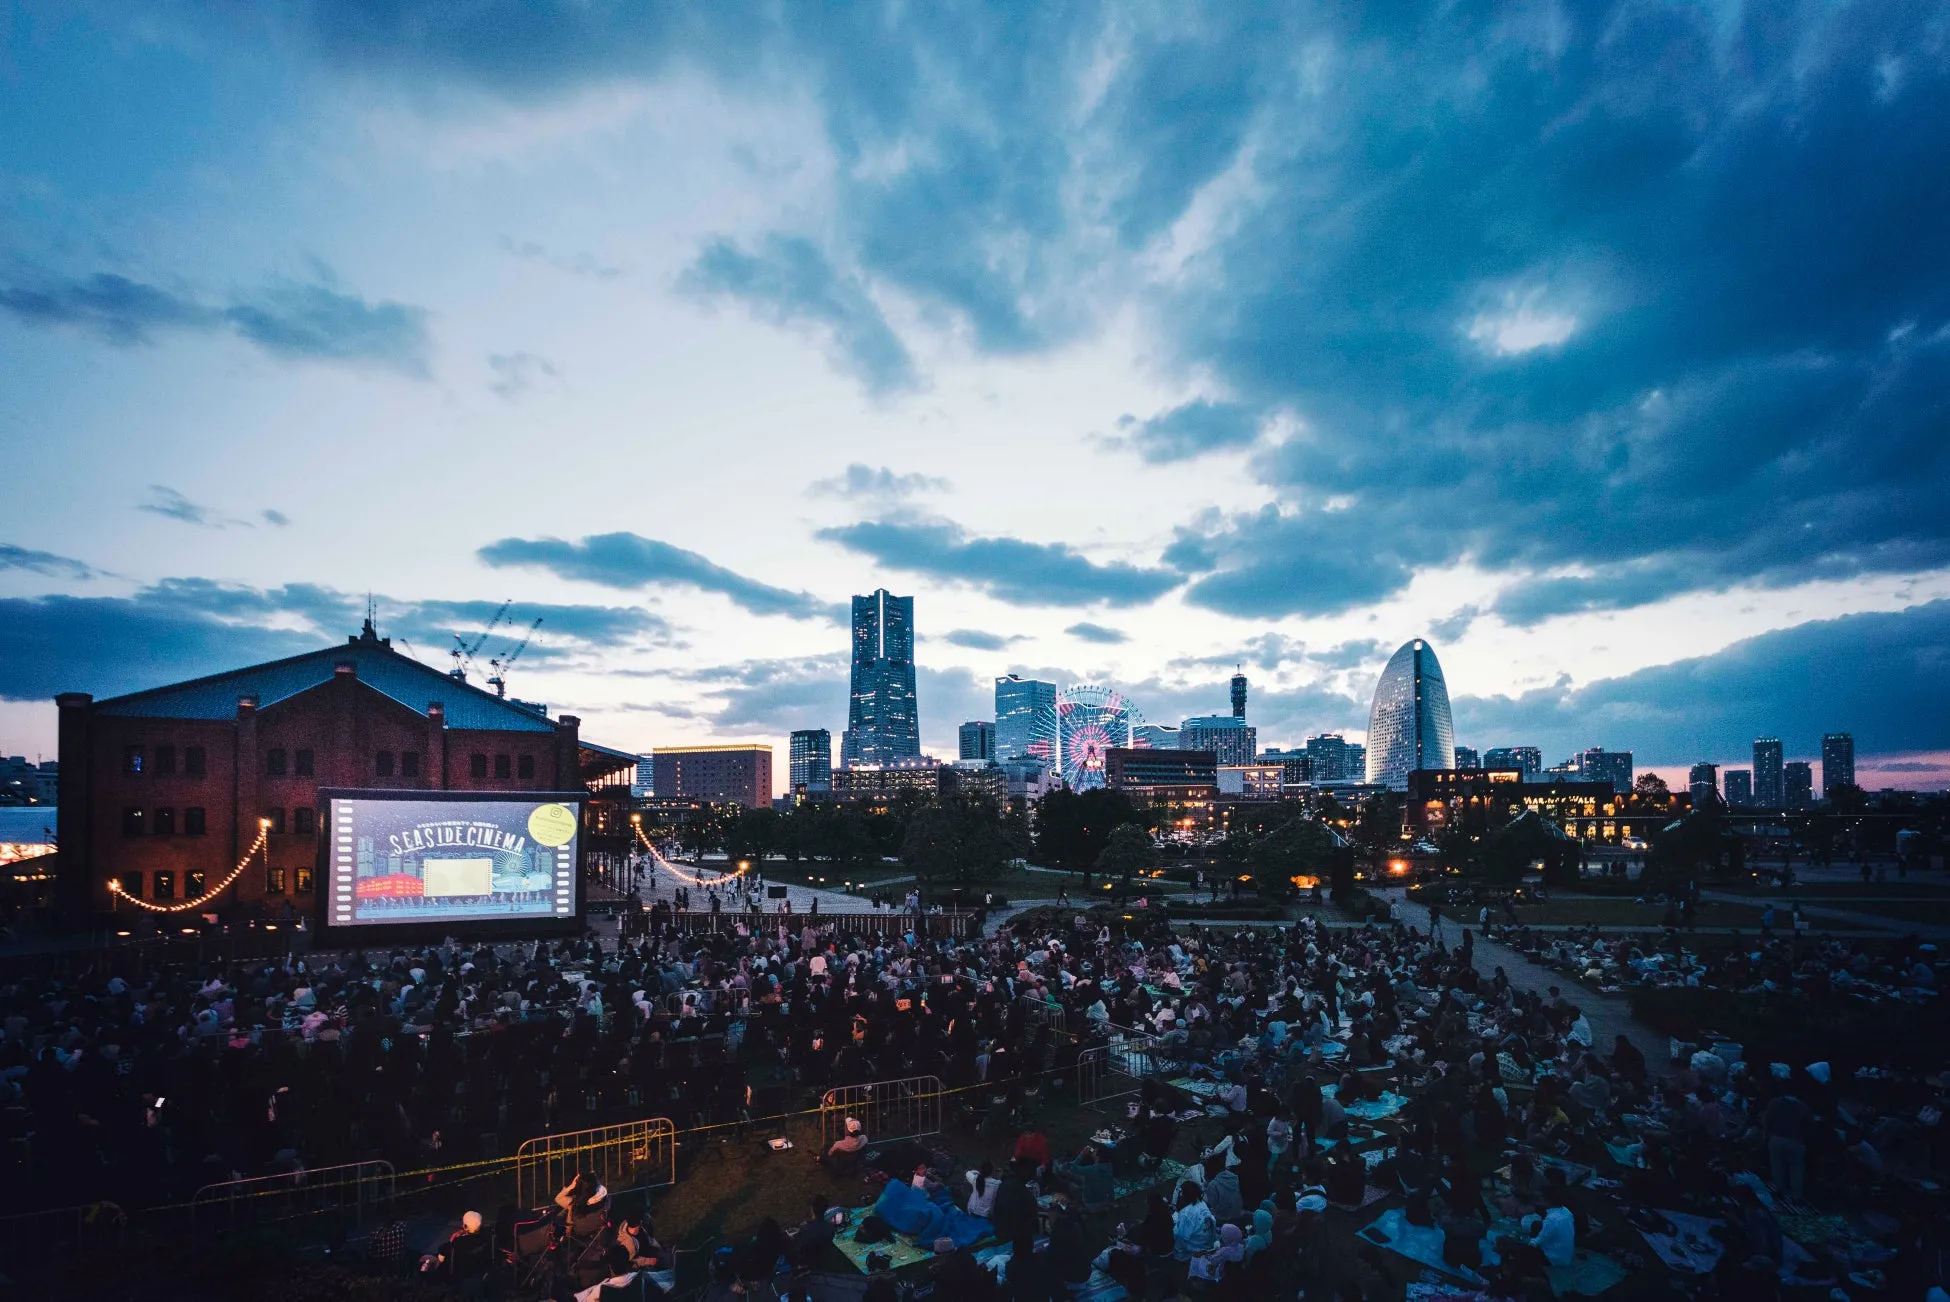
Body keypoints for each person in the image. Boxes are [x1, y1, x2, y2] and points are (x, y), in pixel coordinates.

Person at [1763, 1091, 1812, 1199]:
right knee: (1796, 1170)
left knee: (1777, 1166)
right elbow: (1808, 1127)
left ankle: (1779, 1189)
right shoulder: (1804, 1107)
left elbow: (1767, 1120)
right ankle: (1796, 1196)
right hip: (1795, 1141)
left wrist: (1766, 1135)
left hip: (1776, 1139)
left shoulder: (1774, 1103)